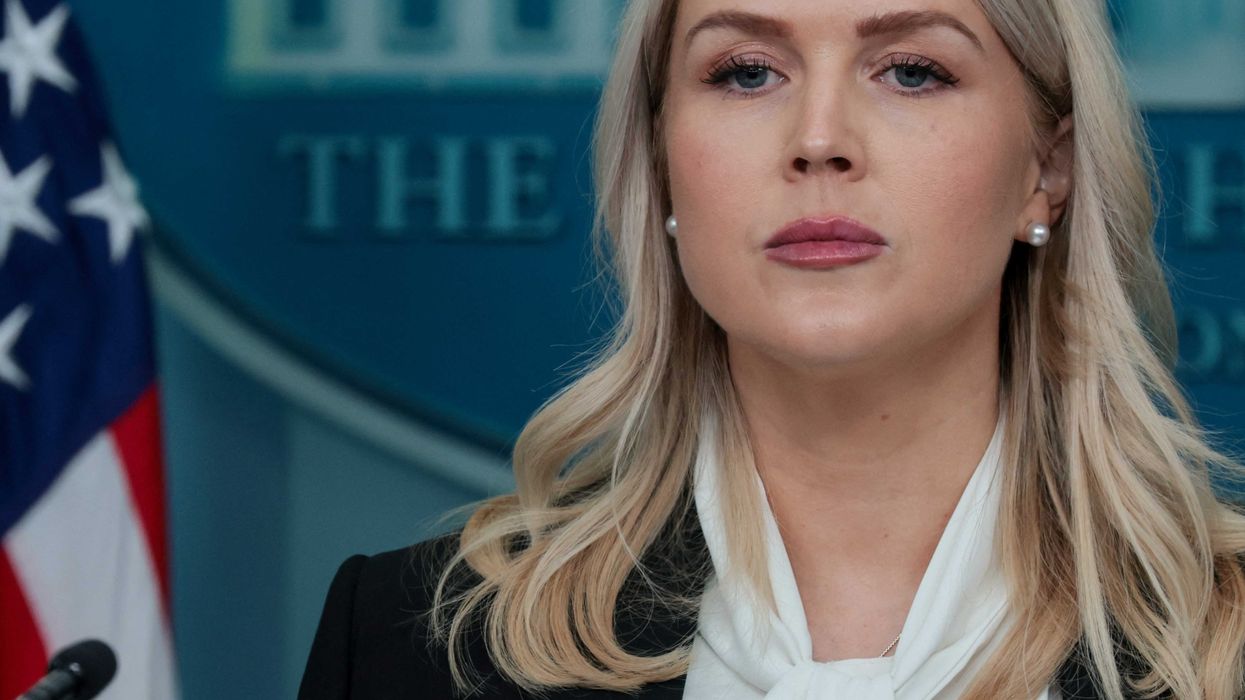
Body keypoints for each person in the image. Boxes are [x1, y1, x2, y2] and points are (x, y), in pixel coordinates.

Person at [298, 0, 1245, 698]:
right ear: (661, 160)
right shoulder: (413, 646)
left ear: (1047, 170)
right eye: (746, 73)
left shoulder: (1227, 640)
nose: (819, 139)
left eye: (911, 70)